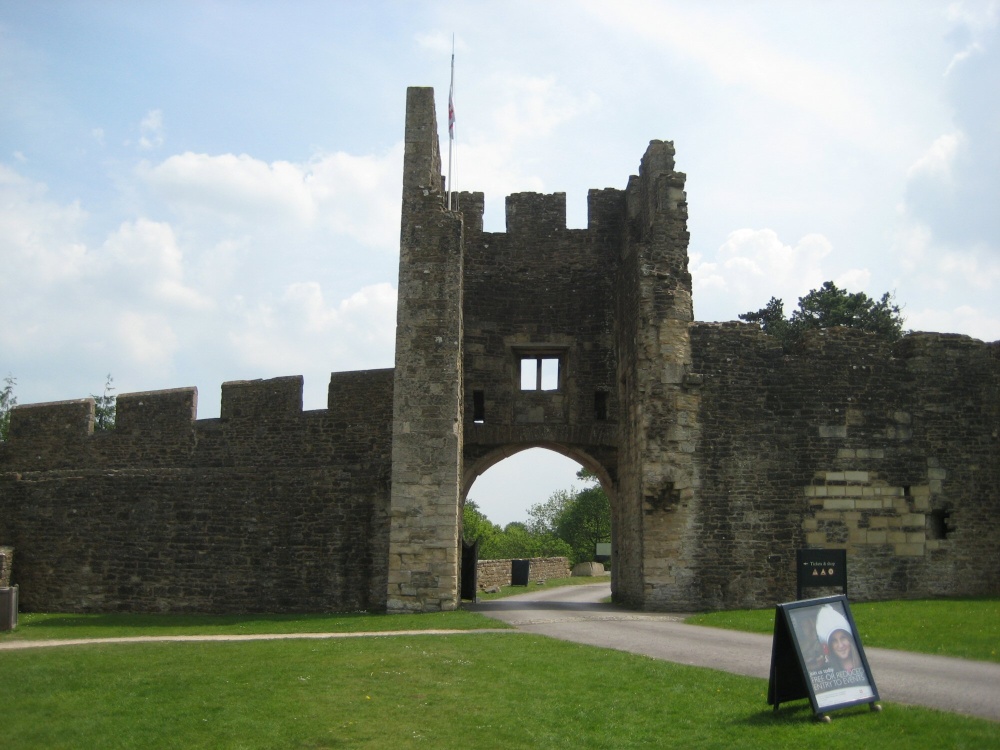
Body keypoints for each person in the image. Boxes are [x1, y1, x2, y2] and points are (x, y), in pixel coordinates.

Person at [815, 604, 862, 674]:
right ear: (830, 646)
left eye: (843, 638)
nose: (840, 645)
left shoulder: (862, 664)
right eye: (834, 641)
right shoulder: (826, 671)